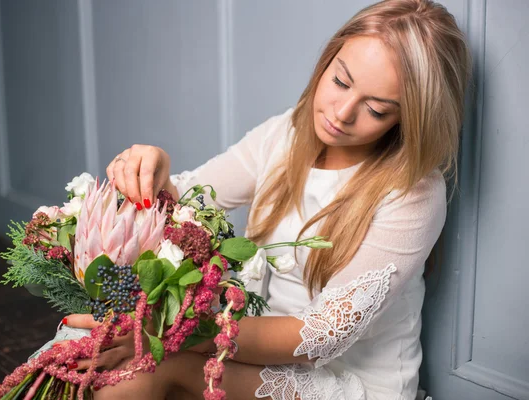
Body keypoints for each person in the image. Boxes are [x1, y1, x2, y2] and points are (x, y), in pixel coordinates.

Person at [64, 0, 471, 398]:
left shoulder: (413, 192)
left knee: (138, 373)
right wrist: (155, 168)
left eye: (377, 109)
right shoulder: (285, 134)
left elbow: (321, 336)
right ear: (327, 61)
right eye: (340, 82)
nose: (342, 112)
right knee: (101, 357)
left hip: (346, 379)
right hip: (248, 346)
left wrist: (167, 334)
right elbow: (187, 203)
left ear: (410, 119)